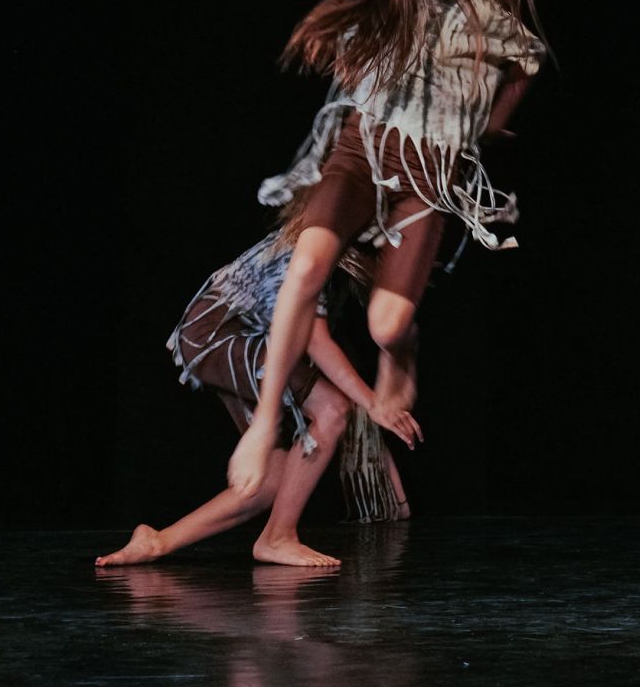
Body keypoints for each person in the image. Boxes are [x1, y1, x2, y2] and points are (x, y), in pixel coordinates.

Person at [145, 0, 545, 500]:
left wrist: (490, 122)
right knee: (304, 266)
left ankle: (402, 354)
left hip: (428, 172)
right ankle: (262, 427)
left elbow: (527, 61)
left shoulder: (481, 12)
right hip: (361, 150)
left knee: (388, 325)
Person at [97, 230, 419, 568]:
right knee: (332, 409)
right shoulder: (313, 242)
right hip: (218, 333)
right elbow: (316, 342)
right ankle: (277, 537)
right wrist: (373, 403)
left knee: (268, 480)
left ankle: (156, 541)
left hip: (219, 335)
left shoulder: (330, 247)